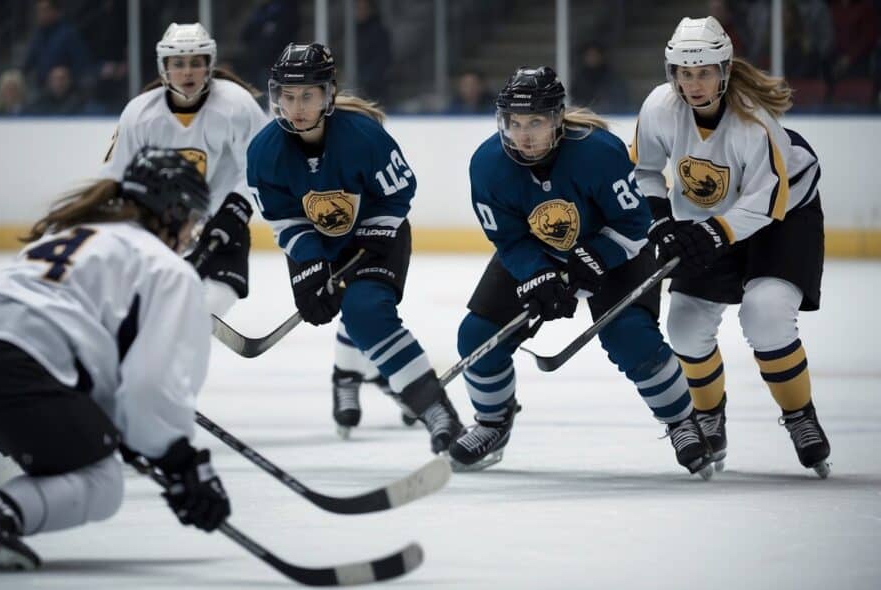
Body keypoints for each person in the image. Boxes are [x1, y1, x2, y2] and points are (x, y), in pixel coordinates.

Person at [0, 147, 231, 569]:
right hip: (12, 364)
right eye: (192, 217)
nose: (192, 231)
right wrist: (180, 463)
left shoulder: (77, 235)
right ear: (172, 211)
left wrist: (129, 432)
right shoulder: (166, 267)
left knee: (63, 434)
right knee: (102, 480)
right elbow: (150, 387)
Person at [448, 66, 714, 478]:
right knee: (476, 336)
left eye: (535, 122)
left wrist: (595, 258)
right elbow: (510, 239)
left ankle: (683, 421)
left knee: (631, 341)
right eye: (515, 123)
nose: (524, 135)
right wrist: (537, 274)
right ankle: (492, 423)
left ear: (557, 118)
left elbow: (636, 224)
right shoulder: (487, 165)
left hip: (618, 251)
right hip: (539, 253)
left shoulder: (599, 152)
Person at [632, 16, 830, 477]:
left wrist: (714, 233)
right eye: (683, 72)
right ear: (671, 72)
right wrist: (660, 221)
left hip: (783, 215)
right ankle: (708, 415)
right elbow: (644, 170)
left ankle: (800, 415)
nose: (692, 83)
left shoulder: (752, 122)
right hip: (711, 216)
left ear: (723, 71)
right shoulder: (660, 108)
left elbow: (768, 199)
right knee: (683, 325)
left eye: (702, 72)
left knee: (766, 315)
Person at [247, 43, 463, 451]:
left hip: (377, 236)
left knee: (365, 309)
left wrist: (371, 238)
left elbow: (398, 193)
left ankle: (435, 410)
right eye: (288, 96)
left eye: (307, 96)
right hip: (318, 243)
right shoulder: (263, 152)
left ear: (327, 94)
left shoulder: (364, 136)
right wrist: (309, 262)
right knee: (344, 308)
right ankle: (348, 375)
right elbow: (284, 218)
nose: (296, 107)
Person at [100, 22, 268, 317]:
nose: (187, 72)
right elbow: (116, 177)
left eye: (195, 62)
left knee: (209, 304)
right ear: (164, 66)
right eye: (178, 63)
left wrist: (235, 211)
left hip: (223, 225)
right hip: (162, 229)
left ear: (209, 65)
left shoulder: (236, 106)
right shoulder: (140, 115)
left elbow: (260, 168)